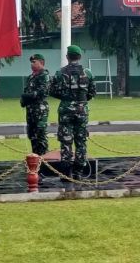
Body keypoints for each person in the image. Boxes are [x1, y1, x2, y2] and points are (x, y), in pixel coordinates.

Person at [49, 45, 96, 178]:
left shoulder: (60, 73)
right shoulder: (88, 73)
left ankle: (67, 171)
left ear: (67, 57)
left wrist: (66, 99)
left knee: (66, 140)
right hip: (82, 110)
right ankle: (79, 171)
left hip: (66, 110)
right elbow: (92, 92)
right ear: (79, 57)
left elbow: (52, 91)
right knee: (81, 140)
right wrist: (81, 100)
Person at [20, 53, 50, 156]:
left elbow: (43, 92)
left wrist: (28, 96)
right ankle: (35, 160)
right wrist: (23, 101)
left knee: (40, 136)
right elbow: (26, 90)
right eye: (31, 62)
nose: (32, 64)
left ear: (41, 62)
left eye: (34, 62)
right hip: (31, 110)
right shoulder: (30, 77)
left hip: (40, 110)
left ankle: (43, 161)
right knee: (32, 135)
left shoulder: (44, 75)